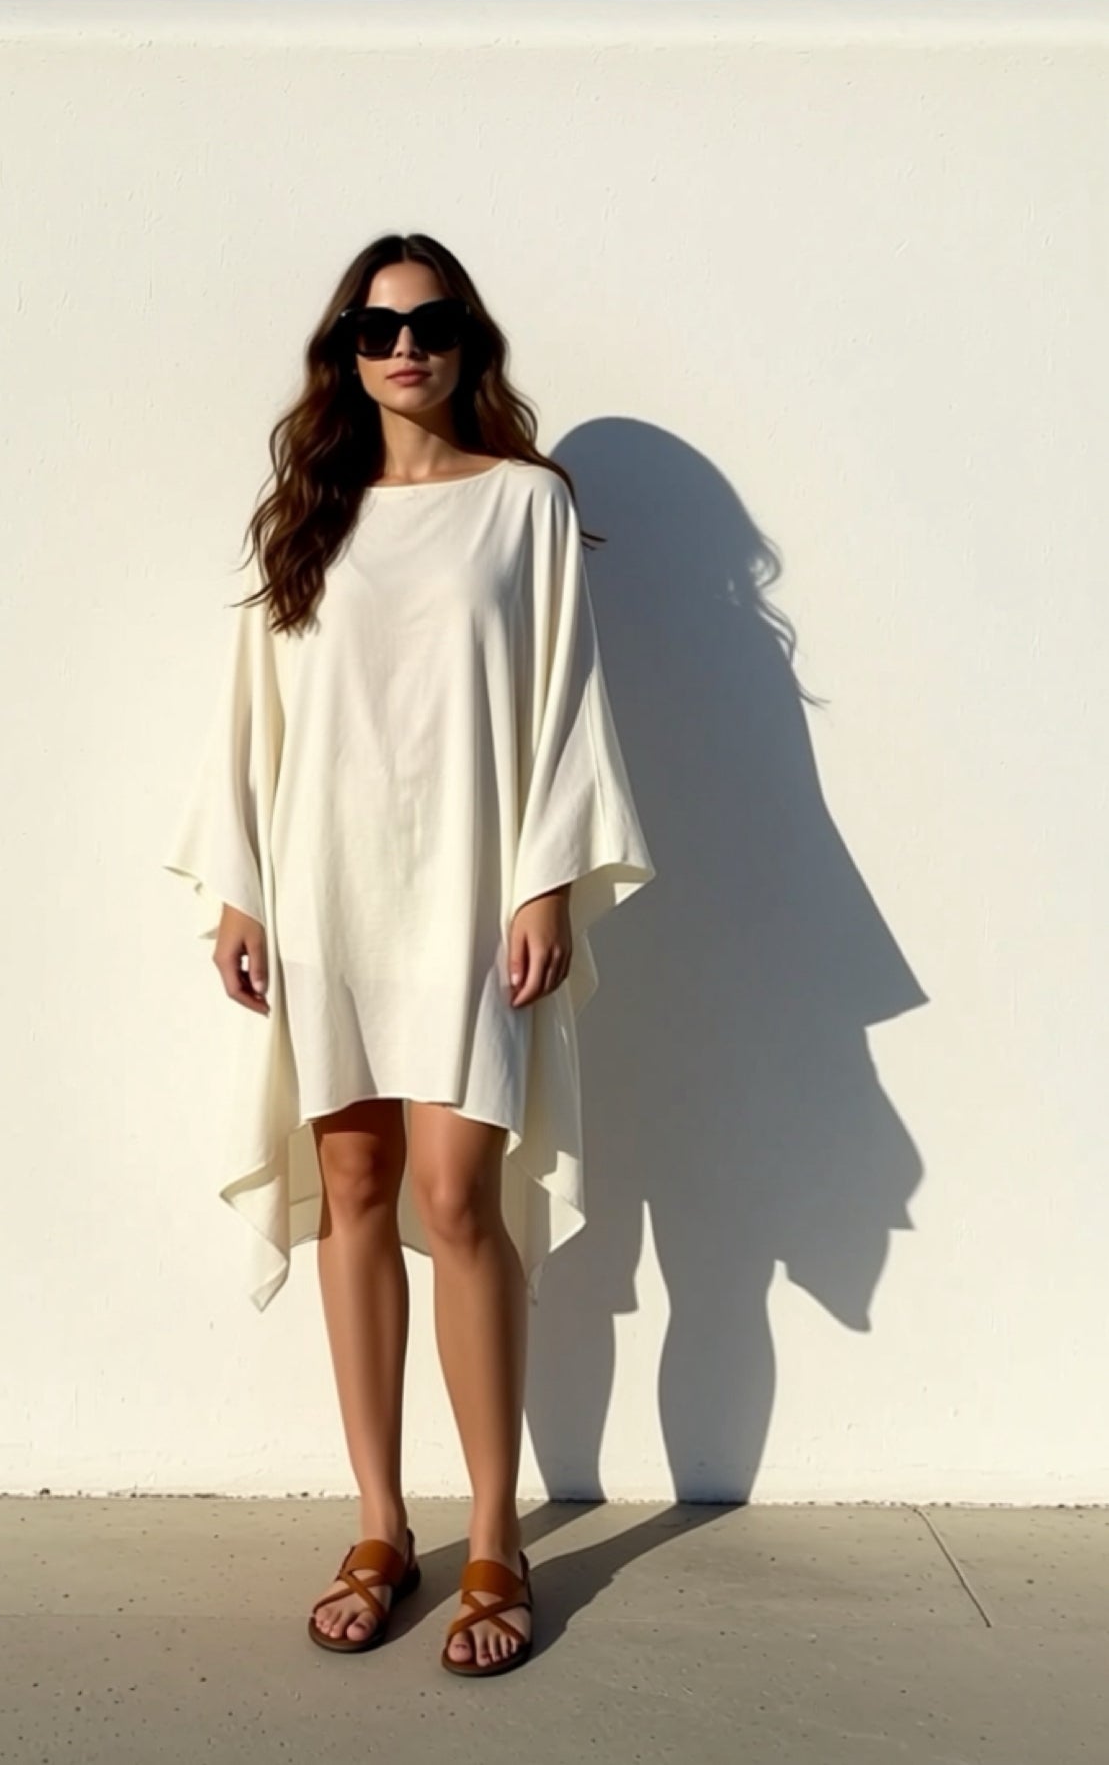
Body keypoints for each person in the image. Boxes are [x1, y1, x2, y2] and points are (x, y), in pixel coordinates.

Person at [163, 232, 654, 1677]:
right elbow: (252, 715)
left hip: (467, 888)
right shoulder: (304, 518)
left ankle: (496, 1534)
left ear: (467, 341)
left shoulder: (525, 506)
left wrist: (545, 880)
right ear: (344, 353)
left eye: (432, 323)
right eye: (375, 330)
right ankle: (380, 1526)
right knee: (357, 1189)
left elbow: (565, 701)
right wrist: (243, 892)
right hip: (326, 890)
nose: (405, 349)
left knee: (457, 1193)